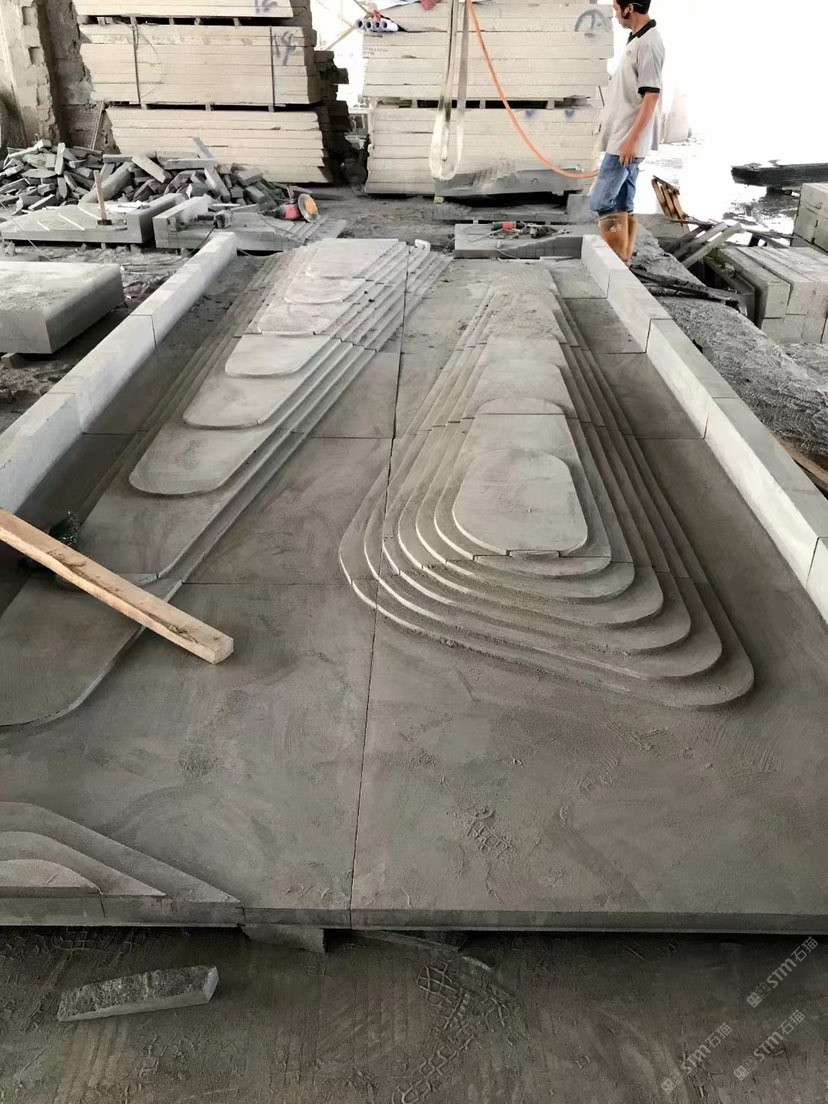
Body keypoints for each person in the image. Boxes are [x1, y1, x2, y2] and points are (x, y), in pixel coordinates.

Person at [589, 0, 665, 264]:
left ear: (629, 8)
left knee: (601, 201)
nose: (614, 14)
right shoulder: (638, 38)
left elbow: (651, 97)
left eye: (615, 8)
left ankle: (615, 260)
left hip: (626, 141)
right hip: (625, 137)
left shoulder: (649, 43)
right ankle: (623, 258)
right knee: (623, 199)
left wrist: (631, 142)